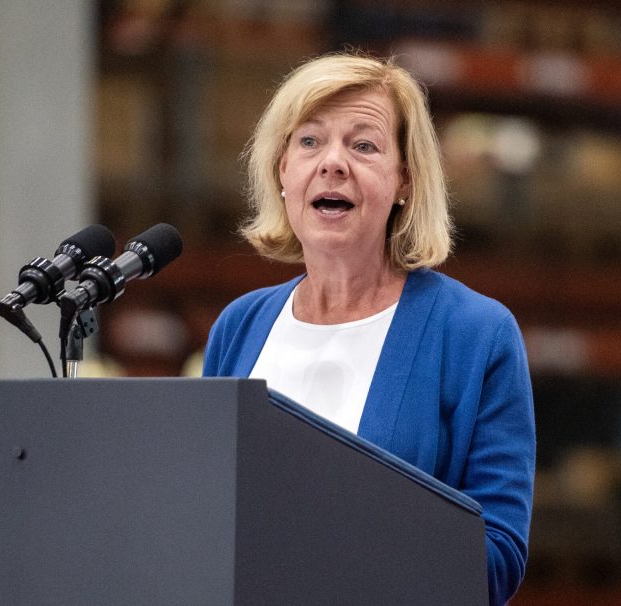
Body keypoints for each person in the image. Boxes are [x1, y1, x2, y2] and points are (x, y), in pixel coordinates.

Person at [203, 52, 535, 605]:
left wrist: (338, 532)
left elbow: (496, 560)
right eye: (309, 141)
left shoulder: (476, 335)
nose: (332, 163)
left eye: (364, 145)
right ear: (282, 169)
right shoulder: (239, 326)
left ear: (404, 178)